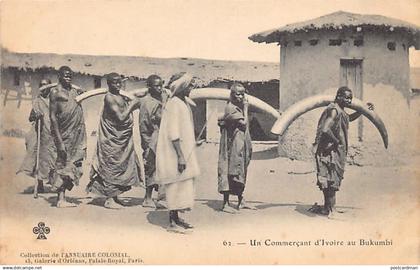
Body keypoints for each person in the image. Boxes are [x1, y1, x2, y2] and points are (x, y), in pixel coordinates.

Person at [311, 86, 374, 217]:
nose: (349, 101)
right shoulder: (334, 110)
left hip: (334, 150)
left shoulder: (341, 111)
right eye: (346, 97)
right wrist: (336, 141)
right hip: (329, 151)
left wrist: (362, 111)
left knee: (329, 180)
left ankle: (327, 208)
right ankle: (332, 210)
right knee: (331, 180)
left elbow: (347, 119)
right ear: (338, 96)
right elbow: (325, 129)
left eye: (350, 98)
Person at [86, 73, 143, 209]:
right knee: (111, 166)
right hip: (112, 140)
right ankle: (109, 199)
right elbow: (121, 117)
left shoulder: (120, 97)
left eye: (119, 82)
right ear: (109, 84)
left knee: (121, 166)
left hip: (122, 139)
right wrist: (133, 104)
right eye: (114, 82)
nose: (118, 85)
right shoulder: (109, 98)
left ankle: (116, 196)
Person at [156, 72, 200, 233]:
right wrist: (181, 156)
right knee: (175, 185)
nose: (192, 88)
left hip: (182, 150)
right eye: (190, 85)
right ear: (181, 86)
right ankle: (172, 223)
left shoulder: (182, 102)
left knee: (182, 184)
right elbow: (173, 133)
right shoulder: (174, 103)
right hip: (175, 153)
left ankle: (176, 218)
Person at [49, 66, 87, 208]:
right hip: (64, 133)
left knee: (74, 164)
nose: (68, 78)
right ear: (59, 76)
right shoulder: (54, 92)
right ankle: (60, 198)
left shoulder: (74, 91)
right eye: (65, 75)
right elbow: (52, 117)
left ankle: (63, 197)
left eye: (70, 76)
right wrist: (59, 141)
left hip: (76, 134)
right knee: (62, 163)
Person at [217, 83, 253, 213]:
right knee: (228, 170)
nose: (241, 96)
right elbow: (244, 124)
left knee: (240, 170)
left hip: (239, 146)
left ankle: (240, 200)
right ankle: (225, 203)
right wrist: (246, 108)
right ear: (232, 95)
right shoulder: (231, 108)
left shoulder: (237, 108)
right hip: (230, 147)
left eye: (243, 93)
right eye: (238, 93)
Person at [17, 79, 57, 195]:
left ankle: (53, 182)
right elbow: (30, 117)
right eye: (41, 85)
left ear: (49, 87)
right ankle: (39, 184)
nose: (44, 87)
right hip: (39, 131)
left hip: (51, 131)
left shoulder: (54, 100)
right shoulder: (37, 101)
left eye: (46, 85)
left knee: (51, 157)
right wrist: (35, 115)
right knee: (38, 155)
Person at [138, 75, 170, 208]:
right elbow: (143, 125)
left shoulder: (163, 98)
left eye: (160, 85)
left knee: (164, 168)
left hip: (164, 138)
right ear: (149, 87)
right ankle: (147, 198)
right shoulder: (146, 102)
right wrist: (147, 145)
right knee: (151, 168)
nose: (159, 88)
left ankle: (161, 197)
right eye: (156, 86)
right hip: (152, 140)